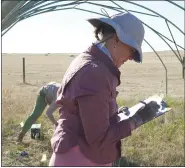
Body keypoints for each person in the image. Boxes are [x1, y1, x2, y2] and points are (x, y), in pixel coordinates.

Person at [49, 12, 160, 166]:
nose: (130, 58)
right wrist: (136, 120)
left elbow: (88, 115)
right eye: (131, 51)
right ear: (116, 40)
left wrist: (117, 116)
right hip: (81, 159)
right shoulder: (95, 72)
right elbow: (98, 138)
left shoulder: (89, 62)